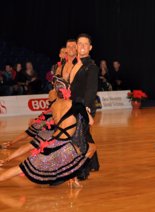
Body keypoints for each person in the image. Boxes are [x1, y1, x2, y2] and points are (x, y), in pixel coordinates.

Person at [0, 78, 96, 188]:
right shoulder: (77, 105)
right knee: (90, 149)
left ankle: (72, 179)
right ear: (68, 89)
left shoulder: (54, 105)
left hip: (51, 142)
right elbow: (91, 122)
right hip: (63, 144)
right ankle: (72, 177)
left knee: (21, 168)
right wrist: (86, 111)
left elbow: (57, 121)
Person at [69, 33, 100, 180]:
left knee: (79, 137)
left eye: (85, 44)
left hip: (84, 106)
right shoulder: (75, 64)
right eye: (79, 43)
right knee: (85, 135)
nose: (81, 46)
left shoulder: (91, 67)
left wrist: (86, 108)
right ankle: (93, 163)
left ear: (90, 47)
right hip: (74, 104)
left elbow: (91, 89)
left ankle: (83, 170)